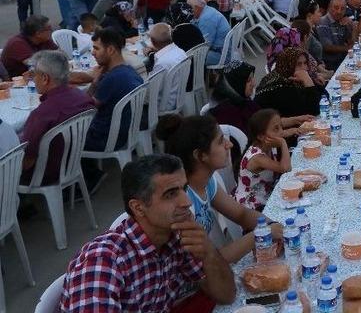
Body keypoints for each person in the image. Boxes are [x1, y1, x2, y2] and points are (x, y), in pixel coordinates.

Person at [61, 155, 236, 311]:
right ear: (138, 208)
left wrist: (209, 252)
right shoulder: (102, 262)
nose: (187, 201)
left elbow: (226, 295)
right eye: (170, 194)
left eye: (184, 189)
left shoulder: (176, 236)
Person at [155, 114, 283, 263]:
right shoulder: (183, 202)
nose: (229, 145)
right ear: (200, 155)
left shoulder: (207, 182)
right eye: (221, 141)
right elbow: (210, 261)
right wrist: (259, 234)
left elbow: (241, 214)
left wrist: (272, 226)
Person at [19, 51, 95, 185]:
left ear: (45, 78)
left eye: (33, 74)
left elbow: (27, 160)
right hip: (73, 162)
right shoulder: (82, 97)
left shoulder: (43, 113)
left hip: (45, 173)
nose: (33, 79)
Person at [84, 28, 143, 184]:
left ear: (110, 50)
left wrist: (94, 84)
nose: (92, 53)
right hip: (125, 132)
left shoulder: (112, 78)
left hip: (106, 139)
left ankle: (89, 180)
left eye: (96, 48)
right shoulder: (129, 71)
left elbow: (85, 109)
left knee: (64, 136)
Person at [234, 109, 293, 211]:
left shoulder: (268, 145)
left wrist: (296, 127)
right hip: (252, 205)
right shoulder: (257, 157)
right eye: (276, 129)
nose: (281, 132)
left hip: (266, 195)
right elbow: (286, 168)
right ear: (261, 136)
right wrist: (283, 143)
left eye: (281, 126)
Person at [255, 47, 323, 118]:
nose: (304, 68)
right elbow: (313, 112)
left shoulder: (289, 75)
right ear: (288, 65)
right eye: (298, 64)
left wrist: (311, 81)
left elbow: (323, 97)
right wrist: (308, 82)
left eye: (305, 63)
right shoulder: (281, 85)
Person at [146, 23, 187, 111]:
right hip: (179, 98)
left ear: (152, 42)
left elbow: (151, 91)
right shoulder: (181, 52)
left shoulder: (162, 63)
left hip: (164, 106)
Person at [187, 0, 230, 66]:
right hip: (222, 50)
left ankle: (199, 73)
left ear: (196, 7)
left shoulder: (206, 19)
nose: (188, 12)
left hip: (221, 55)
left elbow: (204, 46)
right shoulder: (208, 10)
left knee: (186, 59)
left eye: (190, 9)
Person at [316, 0, 355, 69]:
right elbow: (327, 47)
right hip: (330, 64)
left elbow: (352, 42)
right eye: (336, 8)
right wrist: (349, 48)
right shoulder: (323, 22)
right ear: (330, 8)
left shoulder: (342, 21)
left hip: (343, 61)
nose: (339, 11)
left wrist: (351, 27)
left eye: (342, 9)